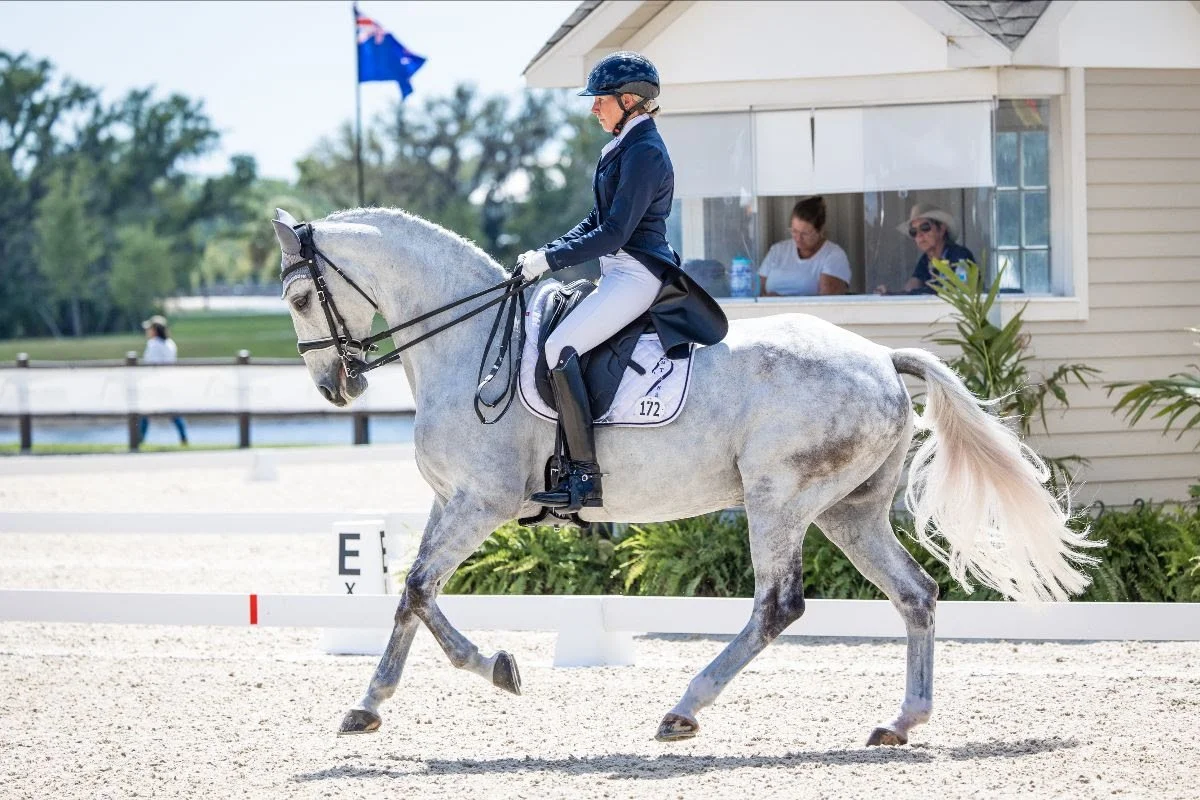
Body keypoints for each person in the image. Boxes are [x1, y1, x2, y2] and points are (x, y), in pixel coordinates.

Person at [515, 51, 728, 514]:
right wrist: (542, 254)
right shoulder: (621, 146)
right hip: (616, 270)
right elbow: (595, 220)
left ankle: (584, 477)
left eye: (601, 100)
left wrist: (550, 261)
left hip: (638, 274)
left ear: (630, 100)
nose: (594, 107)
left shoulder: (646, 152)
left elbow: (614, 233)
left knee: (559, 348)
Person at [758, 196, 852, 296]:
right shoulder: (778, 250)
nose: (798, 238)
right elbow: (758, 291)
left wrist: (783, 302)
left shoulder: (834, 255)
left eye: (805, 233)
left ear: (820, 231)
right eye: (794, 231)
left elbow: (827, 304)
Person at [874, 203, 976, 295]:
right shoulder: (925, 260)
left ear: (942, 229)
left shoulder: (960, 256)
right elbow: (910, 289)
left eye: (925, 227)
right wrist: (889, 295)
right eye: (913, 231)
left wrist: (920, 292)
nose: (919, 235)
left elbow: (961, 291)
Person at [139, 314, 188, 446]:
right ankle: (184, 438)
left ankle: (139, 440)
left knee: (144, 412)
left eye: (149, 328)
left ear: (154, 330)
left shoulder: (153, 344)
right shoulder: (170, 344)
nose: (147, 331)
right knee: (173, 412)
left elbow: (150, 364)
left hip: (155, 382)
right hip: (169, 382)